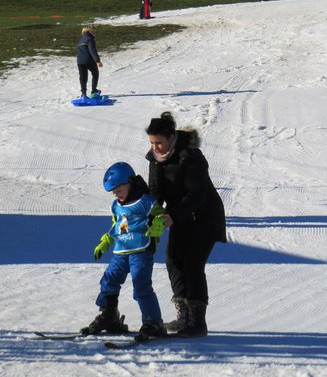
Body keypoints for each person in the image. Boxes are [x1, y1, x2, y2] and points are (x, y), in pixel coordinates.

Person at [145, 112, 227, 337]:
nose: (156, 147)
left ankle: (197, 322)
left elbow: (196, 194)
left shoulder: (191, 157)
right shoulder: (155, 159)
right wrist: (150, 217)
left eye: (159, 142)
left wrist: (172, 216)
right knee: (173, 261)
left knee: (192, 265)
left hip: (205, 219)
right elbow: (155, 193)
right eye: (152, 142)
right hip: (180, 219)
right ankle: (184, 316)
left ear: (171, 137)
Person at [82, 162, 167, 337]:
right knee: (109, 279)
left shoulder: (146, 202)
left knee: (141, 284)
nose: (116, 194)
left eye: (119, 190)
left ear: (131, 183)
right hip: (121, 250)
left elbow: (161, 214)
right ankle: (109, 315)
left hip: (141, 250)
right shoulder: (117, 206)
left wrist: (158, 224)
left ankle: (153, 322)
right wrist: (106, 241)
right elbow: (117, 225)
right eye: (113, 192)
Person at [76, 25, 103, 98]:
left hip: (80, 61)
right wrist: (97, 61)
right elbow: (92, 50)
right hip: (88, 60)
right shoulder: (90, 39)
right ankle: (94, 91)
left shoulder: (81, 39)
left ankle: (83, 94)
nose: (95, 32)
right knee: (95, 73)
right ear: (89, 31)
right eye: (94, 31)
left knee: (83, 77)